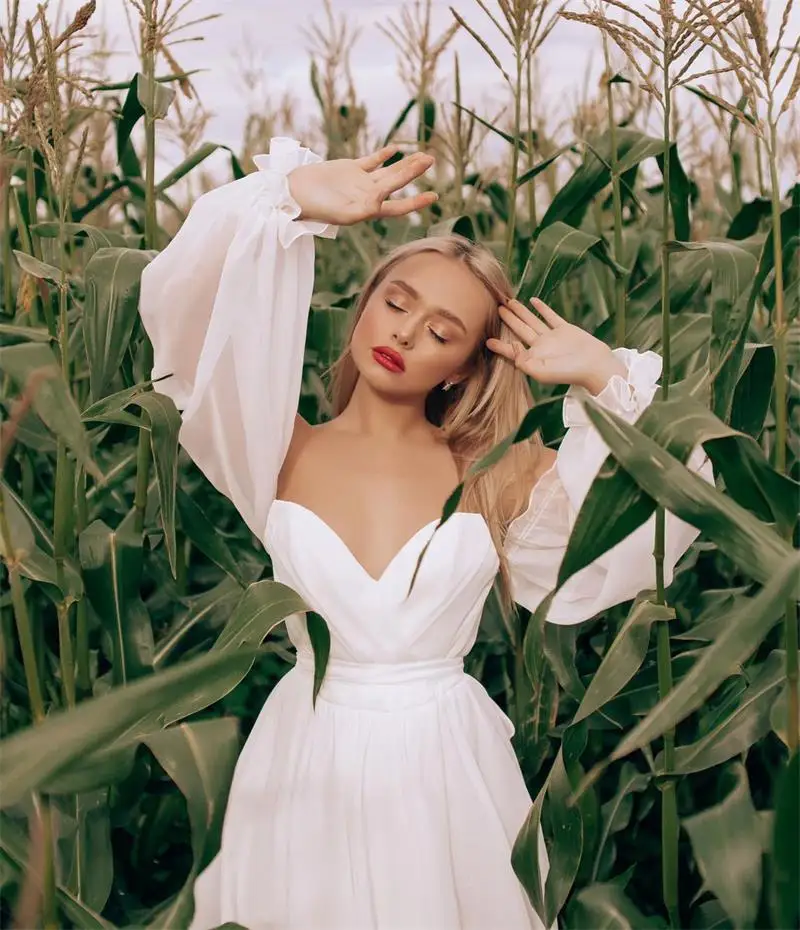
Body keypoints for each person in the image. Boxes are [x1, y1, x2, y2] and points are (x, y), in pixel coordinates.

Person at [138, 136, 713, 930]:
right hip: (308, 761)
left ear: (463, 369)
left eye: (443, 333)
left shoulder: (496, 475)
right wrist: (293, 195)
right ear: (367, 300)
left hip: (447, 773)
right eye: (397, 302)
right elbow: (185, 323)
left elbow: (666, 505)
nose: (405, 334)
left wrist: (601, 376)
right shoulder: (274, 447)